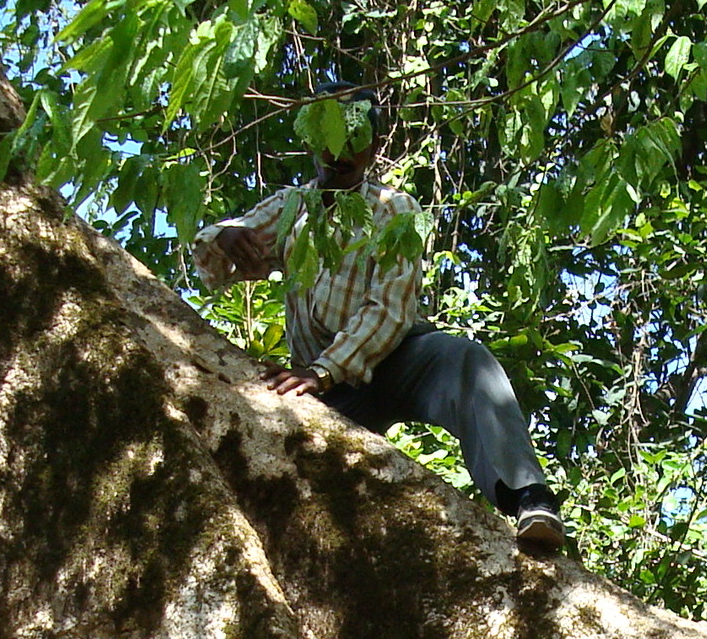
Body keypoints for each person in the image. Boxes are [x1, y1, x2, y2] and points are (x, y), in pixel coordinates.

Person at [193, 88, 567, 555]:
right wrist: (224, 239)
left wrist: (323, 370)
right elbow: (217, 262)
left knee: (465, 361)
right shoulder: (294, 206)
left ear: (372, 147)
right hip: (324, 389)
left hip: (394, 361)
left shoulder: (394, 209)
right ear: (314, 141)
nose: (339, 153)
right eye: (329, 138)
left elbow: (388, 311)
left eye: (354, 140)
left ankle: (528, 497)